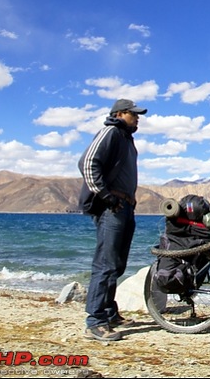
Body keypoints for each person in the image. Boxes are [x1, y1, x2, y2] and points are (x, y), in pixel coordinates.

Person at [78, 98, 147, 341]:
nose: (137, 118)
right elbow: (87, 163)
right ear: (119, 114)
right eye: (133, 114)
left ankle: (108, 312)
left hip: (125, 207)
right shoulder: (111, 132)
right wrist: (106, 196)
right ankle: (95, 321)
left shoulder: (127, 139)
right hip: (112, 208)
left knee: (117, 264)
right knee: (105, 264)